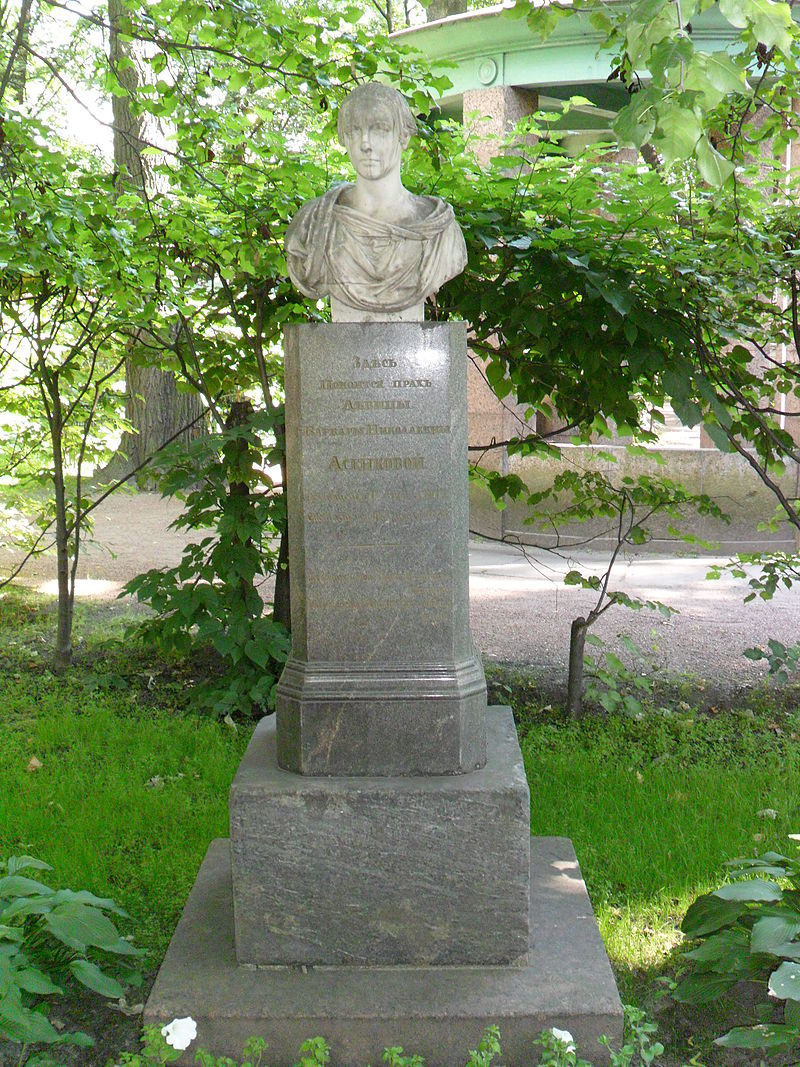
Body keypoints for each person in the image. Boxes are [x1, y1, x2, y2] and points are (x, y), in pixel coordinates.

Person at [285, 82, 467, 322]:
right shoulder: (314, 226)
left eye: (379, 129)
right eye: (354, 130)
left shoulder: (440, 230)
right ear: (344, 138)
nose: (365, 144)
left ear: (403, 136)